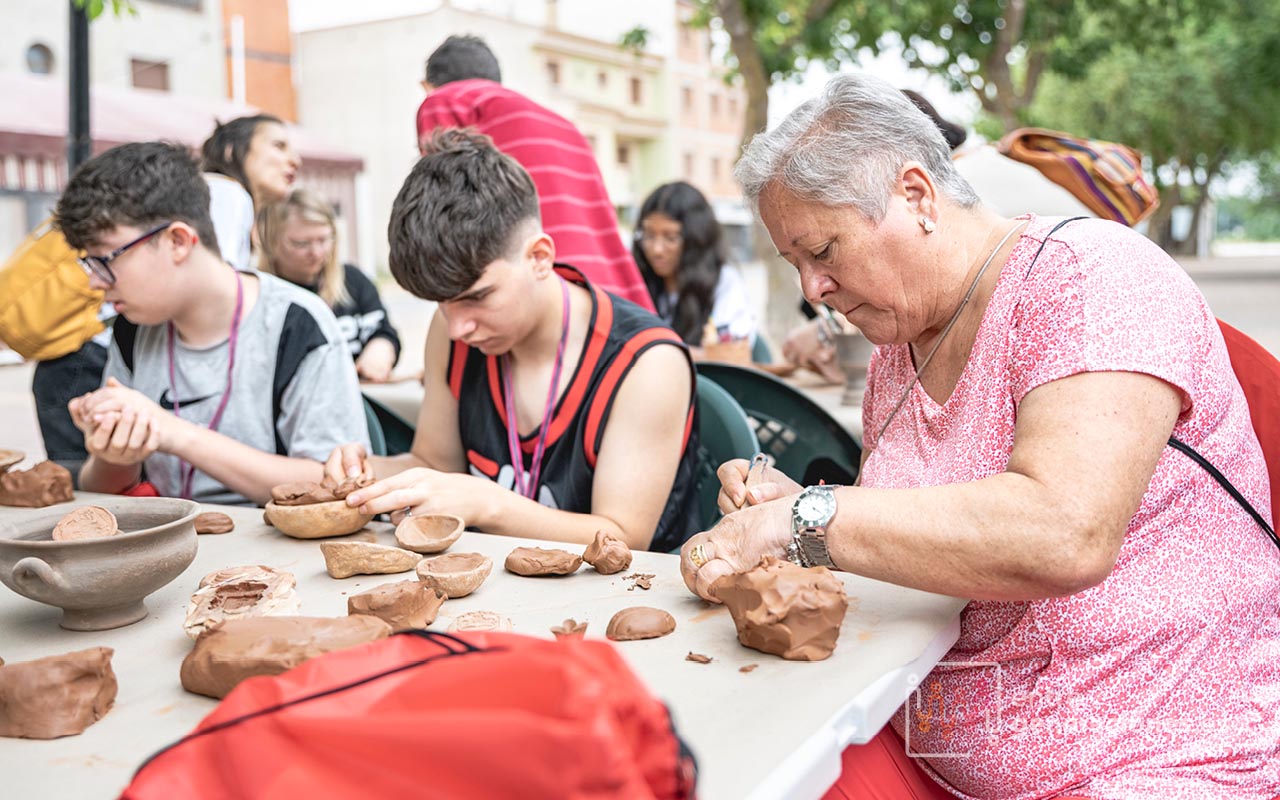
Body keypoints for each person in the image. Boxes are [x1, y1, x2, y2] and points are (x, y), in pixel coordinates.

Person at [681, 73, 1280, 797]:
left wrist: (809, 519)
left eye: (825, 252)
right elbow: (908, 534)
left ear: (915, 196)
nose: (813, 290)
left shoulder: (1090, 279)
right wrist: (791, 508)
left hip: (1149, 759)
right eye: (795, 265)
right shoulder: (900, 344)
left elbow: (1065, 533)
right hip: (926, 735)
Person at [324, 129, 699, 552]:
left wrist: (488, 504)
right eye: (442, 303)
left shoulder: (646, 361)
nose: (458, 328)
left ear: (539, 257)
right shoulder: (451, 333)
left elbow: (624, 537)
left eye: (477, 297)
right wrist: (368, 476)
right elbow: (433, 464)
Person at [56, 141, 368, 506]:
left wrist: (173, 433)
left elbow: (333, 485)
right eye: (89, 264)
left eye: (105, 260)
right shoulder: (132, 327)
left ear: (178, 241)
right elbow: (102, 487)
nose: (95, 281)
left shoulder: (297, 324)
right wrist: (113, 449)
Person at [415, 35, 654, 312]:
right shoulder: (565, 127)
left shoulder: (444, 100)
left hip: (546, 294)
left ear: (427, 87)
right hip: (613, 301)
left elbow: (443, 217)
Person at [257, 189, 401, 383]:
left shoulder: (353, 281)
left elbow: (383, 330)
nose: (316, 252)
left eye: (323, 240)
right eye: (301, 244)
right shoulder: (259, 296)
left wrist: (381, 348)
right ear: (271, 242)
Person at [633, 181, 757, 353]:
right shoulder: (637, 282)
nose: (657, 250)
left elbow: (731, 354)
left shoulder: (724, 283)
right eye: (649, 235)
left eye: (670, 238)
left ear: (695, 239)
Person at [201, 113, 301, 270]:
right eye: (279, 146)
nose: (295, 161)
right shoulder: (226, 192)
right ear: (230, 150)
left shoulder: (227, 195)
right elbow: (216, 274)